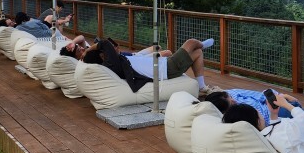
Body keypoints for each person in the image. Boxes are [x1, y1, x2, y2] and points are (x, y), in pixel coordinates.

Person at [82, 37, 214, 93]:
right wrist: (88, 50)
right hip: (165, 69)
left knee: (197, 52)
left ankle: (201, 86)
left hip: (164, 64)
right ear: (101, 56)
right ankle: (202, 44)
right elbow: (104, 43)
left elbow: (105, 45)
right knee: (191, 43)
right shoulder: (110, 64)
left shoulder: (113, 63)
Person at [222, 102, 304, 153]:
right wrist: (286, 104)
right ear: (258, 120)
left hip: (300, 145)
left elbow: (276, 132)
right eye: (258, 113)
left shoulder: (259, 138)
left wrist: (274, 115)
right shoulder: (279, 134)